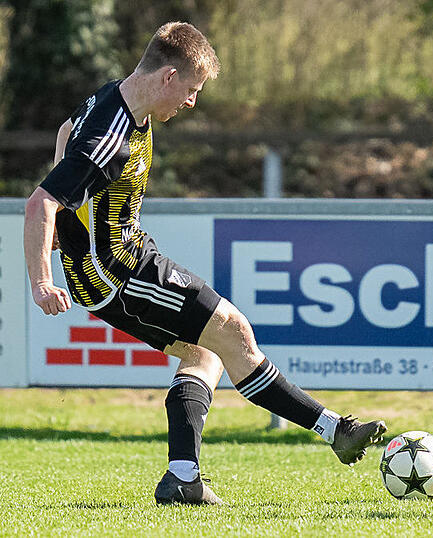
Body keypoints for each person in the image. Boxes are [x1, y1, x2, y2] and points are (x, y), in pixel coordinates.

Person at [23, 22, 387, 506]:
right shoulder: (114, 131)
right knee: (235, 332)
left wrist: (72, 227)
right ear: (168, 77)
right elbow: (40, 203)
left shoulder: (115, 100)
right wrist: (43, 280)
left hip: (114, 263)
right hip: (119, 270)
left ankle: (182, 478)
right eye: (191, 90)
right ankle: (336, 430)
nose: (191, 103)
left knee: (205, 355)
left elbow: (67, 133)